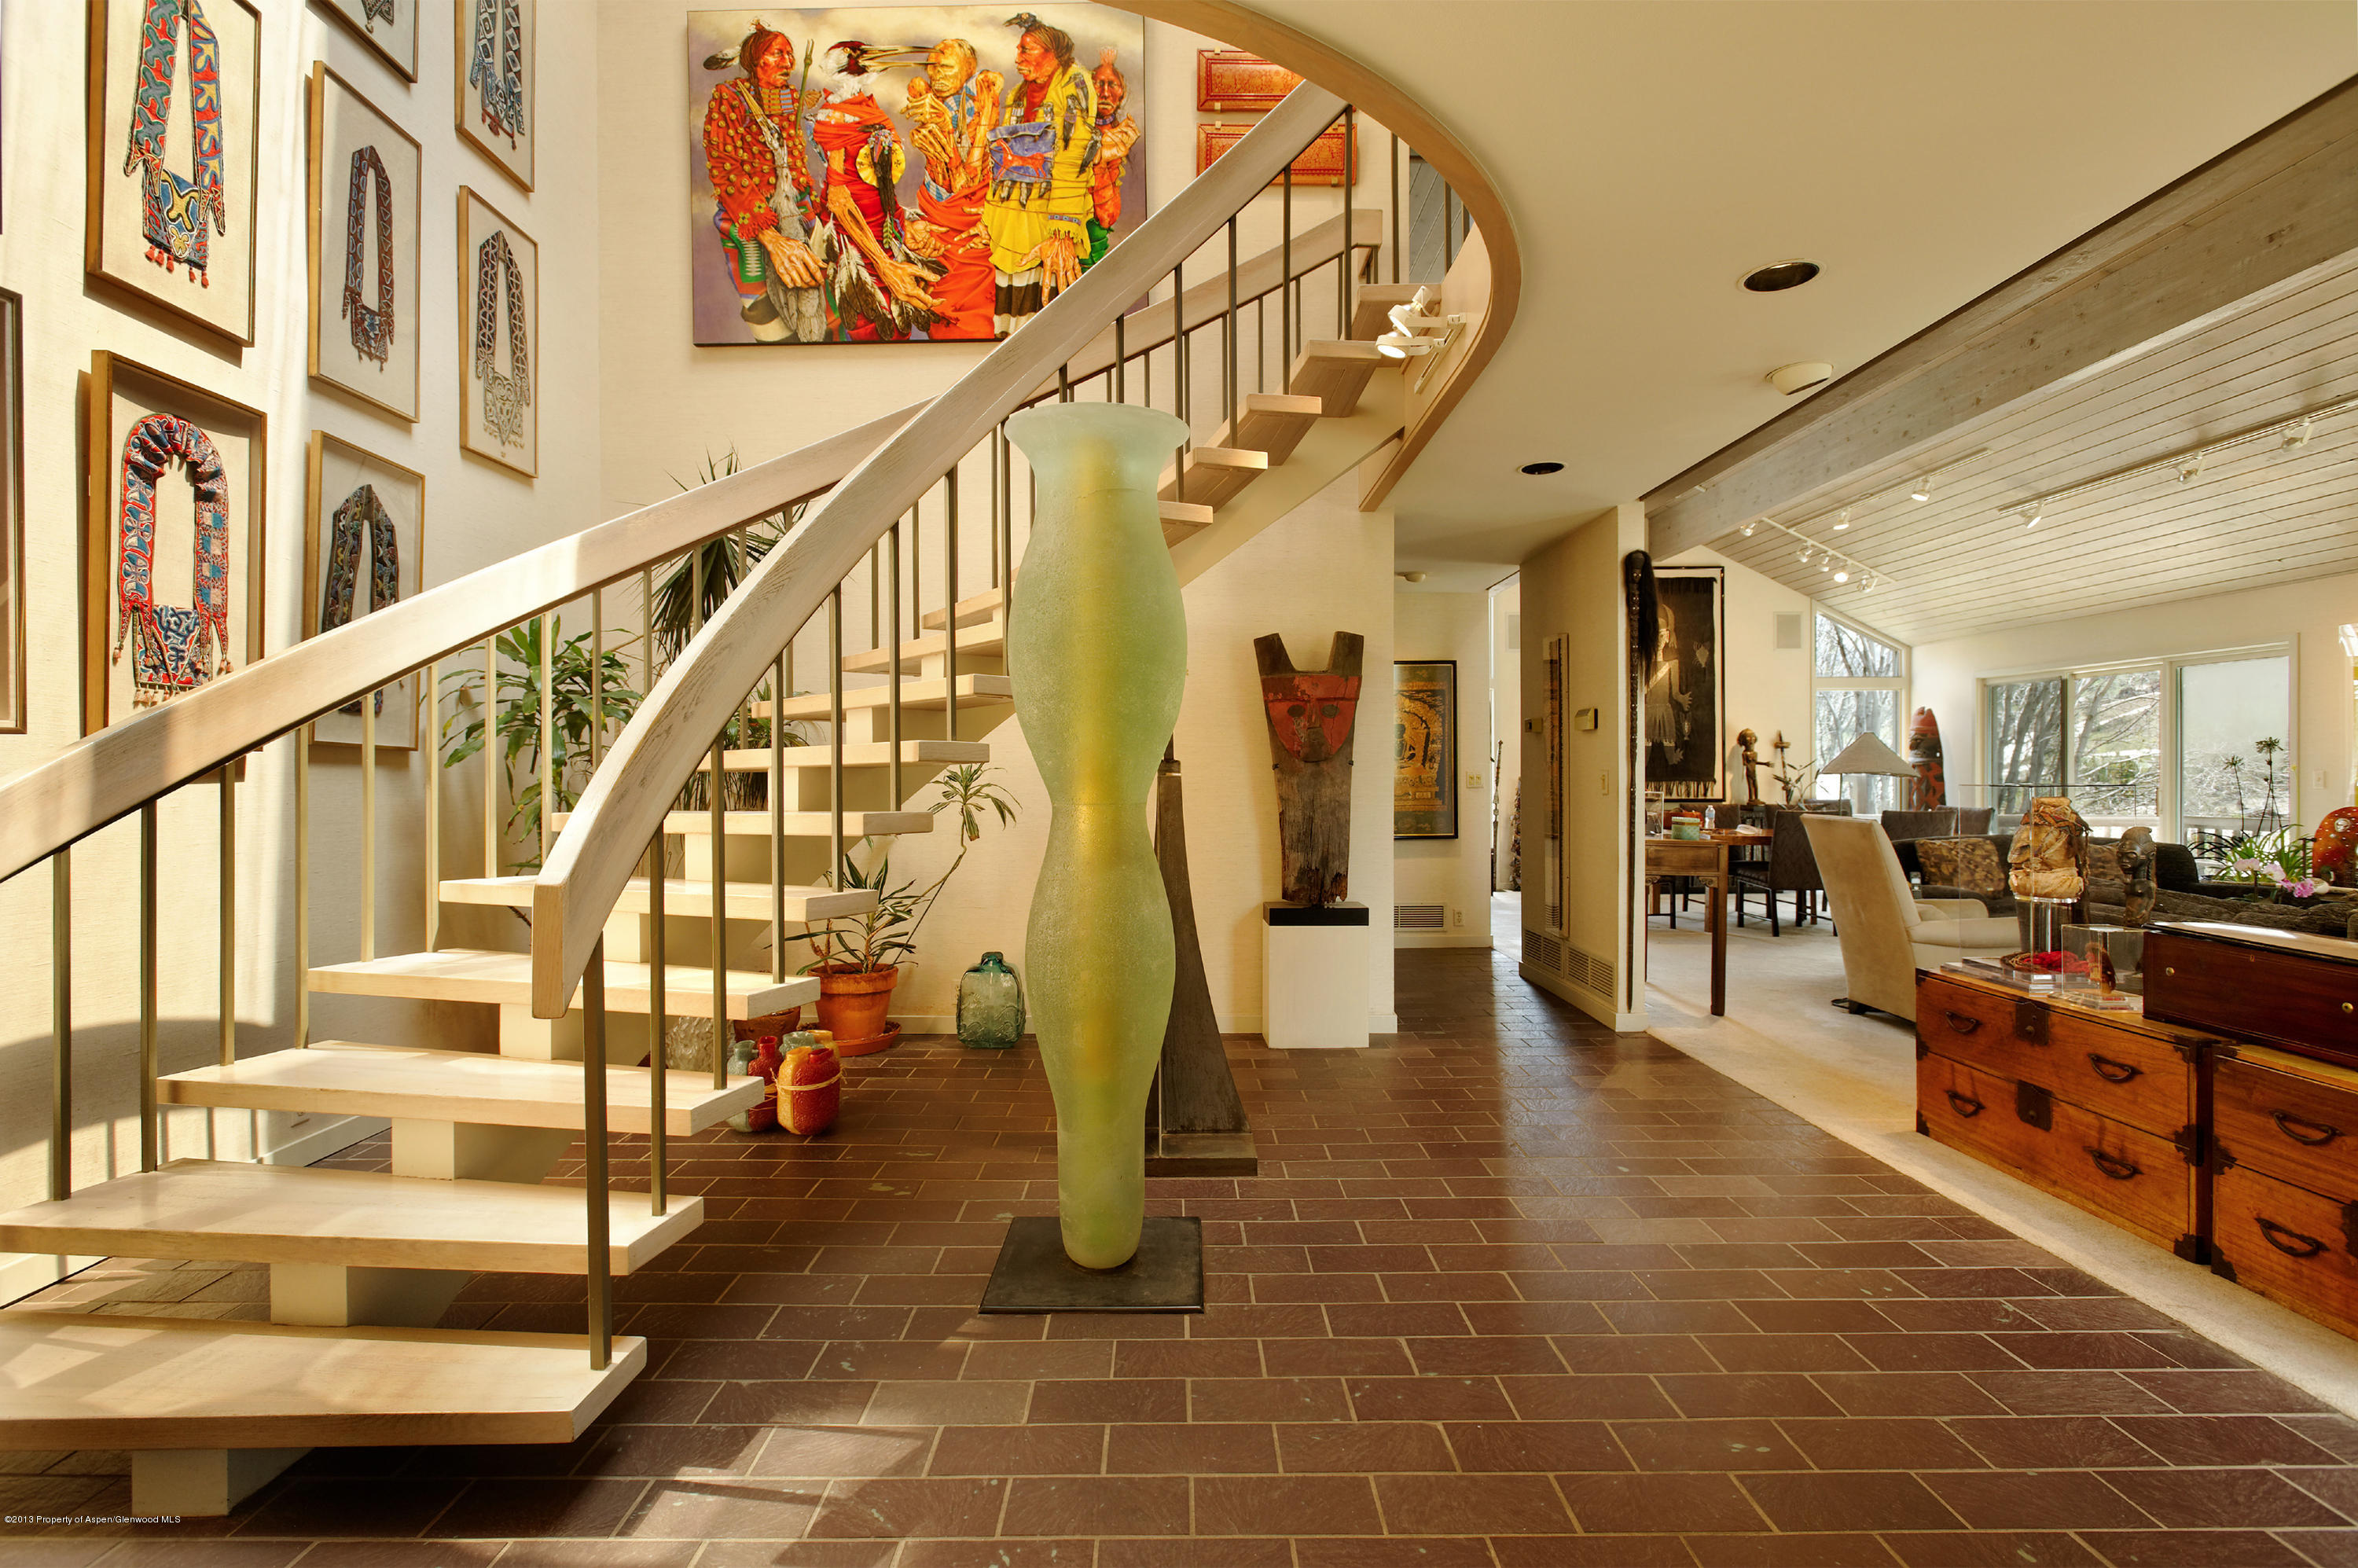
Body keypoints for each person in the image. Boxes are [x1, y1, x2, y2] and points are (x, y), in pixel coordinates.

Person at [700, 23, 828, 343]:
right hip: (750, 219)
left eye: (791, 55)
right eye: (778, 54)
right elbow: (725, 167)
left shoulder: (787, 97)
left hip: (800, 212)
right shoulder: (728, 97)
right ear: (756, 60)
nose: (789, 63)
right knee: (765, 319)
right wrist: (770, 237)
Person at [811, 41, 946, 341]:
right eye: (856, 55)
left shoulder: (866, 109)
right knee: (874, 324)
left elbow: (879, 185)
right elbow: (838, 199)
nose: (869, 58)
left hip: (884, 232)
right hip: (857, 245)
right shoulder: (836, 118)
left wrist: (903, 221)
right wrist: (885, 266)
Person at [981, 13, 1099, 332]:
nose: (1017, 58)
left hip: (1052, 218)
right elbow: (1004, 160)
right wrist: (989, 216)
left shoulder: (1075, 83)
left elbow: (1076, 153)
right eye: (1018, 49)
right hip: (1013, 218)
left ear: (1053, 54)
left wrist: (1061, 231)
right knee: (1008, 311)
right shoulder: (1017, 94)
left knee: (1046, 310)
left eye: (1026, 50)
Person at [902, 39, 1001, 339]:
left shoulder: (979, 95)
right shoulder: (929, 99)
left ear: (967, 70)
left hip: (973, 213)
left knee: (973, 299)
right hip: (938, 211)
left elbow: (993, 80)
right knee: (939, 289)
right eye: (932, 67)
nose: (936, 74)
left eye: (945, 67)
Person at [1082, 46, 1138, 274]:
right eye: (1099, 84)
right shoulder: (1075, 132)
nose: (1105, 93)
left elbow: (1107, 215)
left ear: (1122, 92)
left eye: (1112, 84)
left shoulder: (1125, 135)